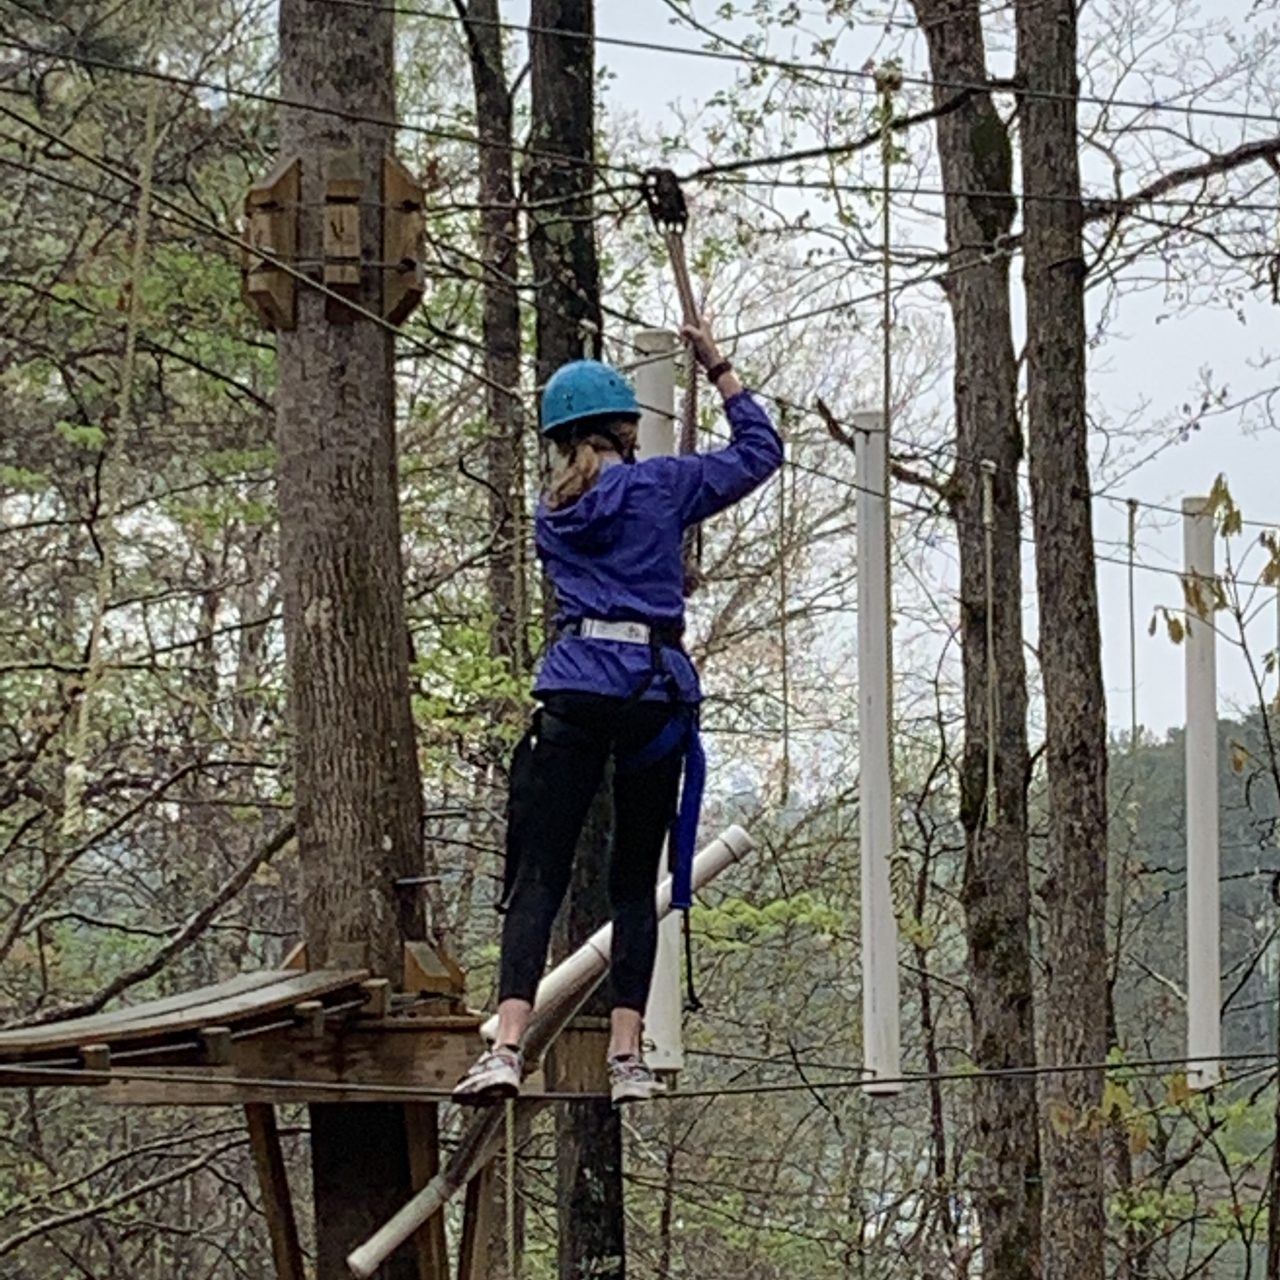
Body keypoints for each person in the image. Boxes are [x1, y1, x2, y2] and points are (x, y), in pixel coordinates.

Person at [453, 318, 783, 1106]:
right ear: (624, 429)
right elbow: (759, 454)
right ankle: (628, 1055)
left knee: (539, 878)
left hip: (572, 691)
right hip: (648, 694)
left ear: (561, 439)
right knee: (634, 883)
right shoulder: (658, 486)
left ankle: (506, 1043)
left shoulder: (551, 515)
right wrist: (719, 367)